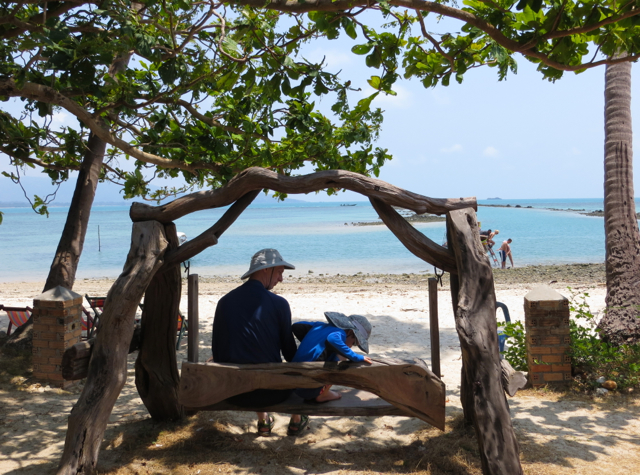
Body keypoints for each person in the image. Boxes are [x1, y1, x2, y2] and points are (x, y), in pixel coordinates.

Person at [211, 248, 297, 436]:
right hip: (271, 393)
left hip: (232, 392)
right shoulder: (279, 303)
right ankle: (297, 419)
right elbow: (290, 354)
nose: (281, 279)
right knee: (300, 370)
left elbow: (217, 350)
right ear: (266, 269)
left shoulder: (224, 302)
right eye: (280, 272)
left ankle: (263, 420)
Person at [287, 312, 373, 436]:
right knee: (340, 356)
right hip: (308, 387)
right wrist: (356, 357)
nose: (350, 346)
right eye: (354, 343)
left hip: (292, 381)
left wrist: (313, 341)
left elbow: (297, 326)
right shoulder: (340, 334)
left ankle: (297, 419)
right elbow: (333, 339)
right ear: (350, 332)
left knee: (330, 354)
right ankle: (324, 394)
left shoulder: (320, 326)